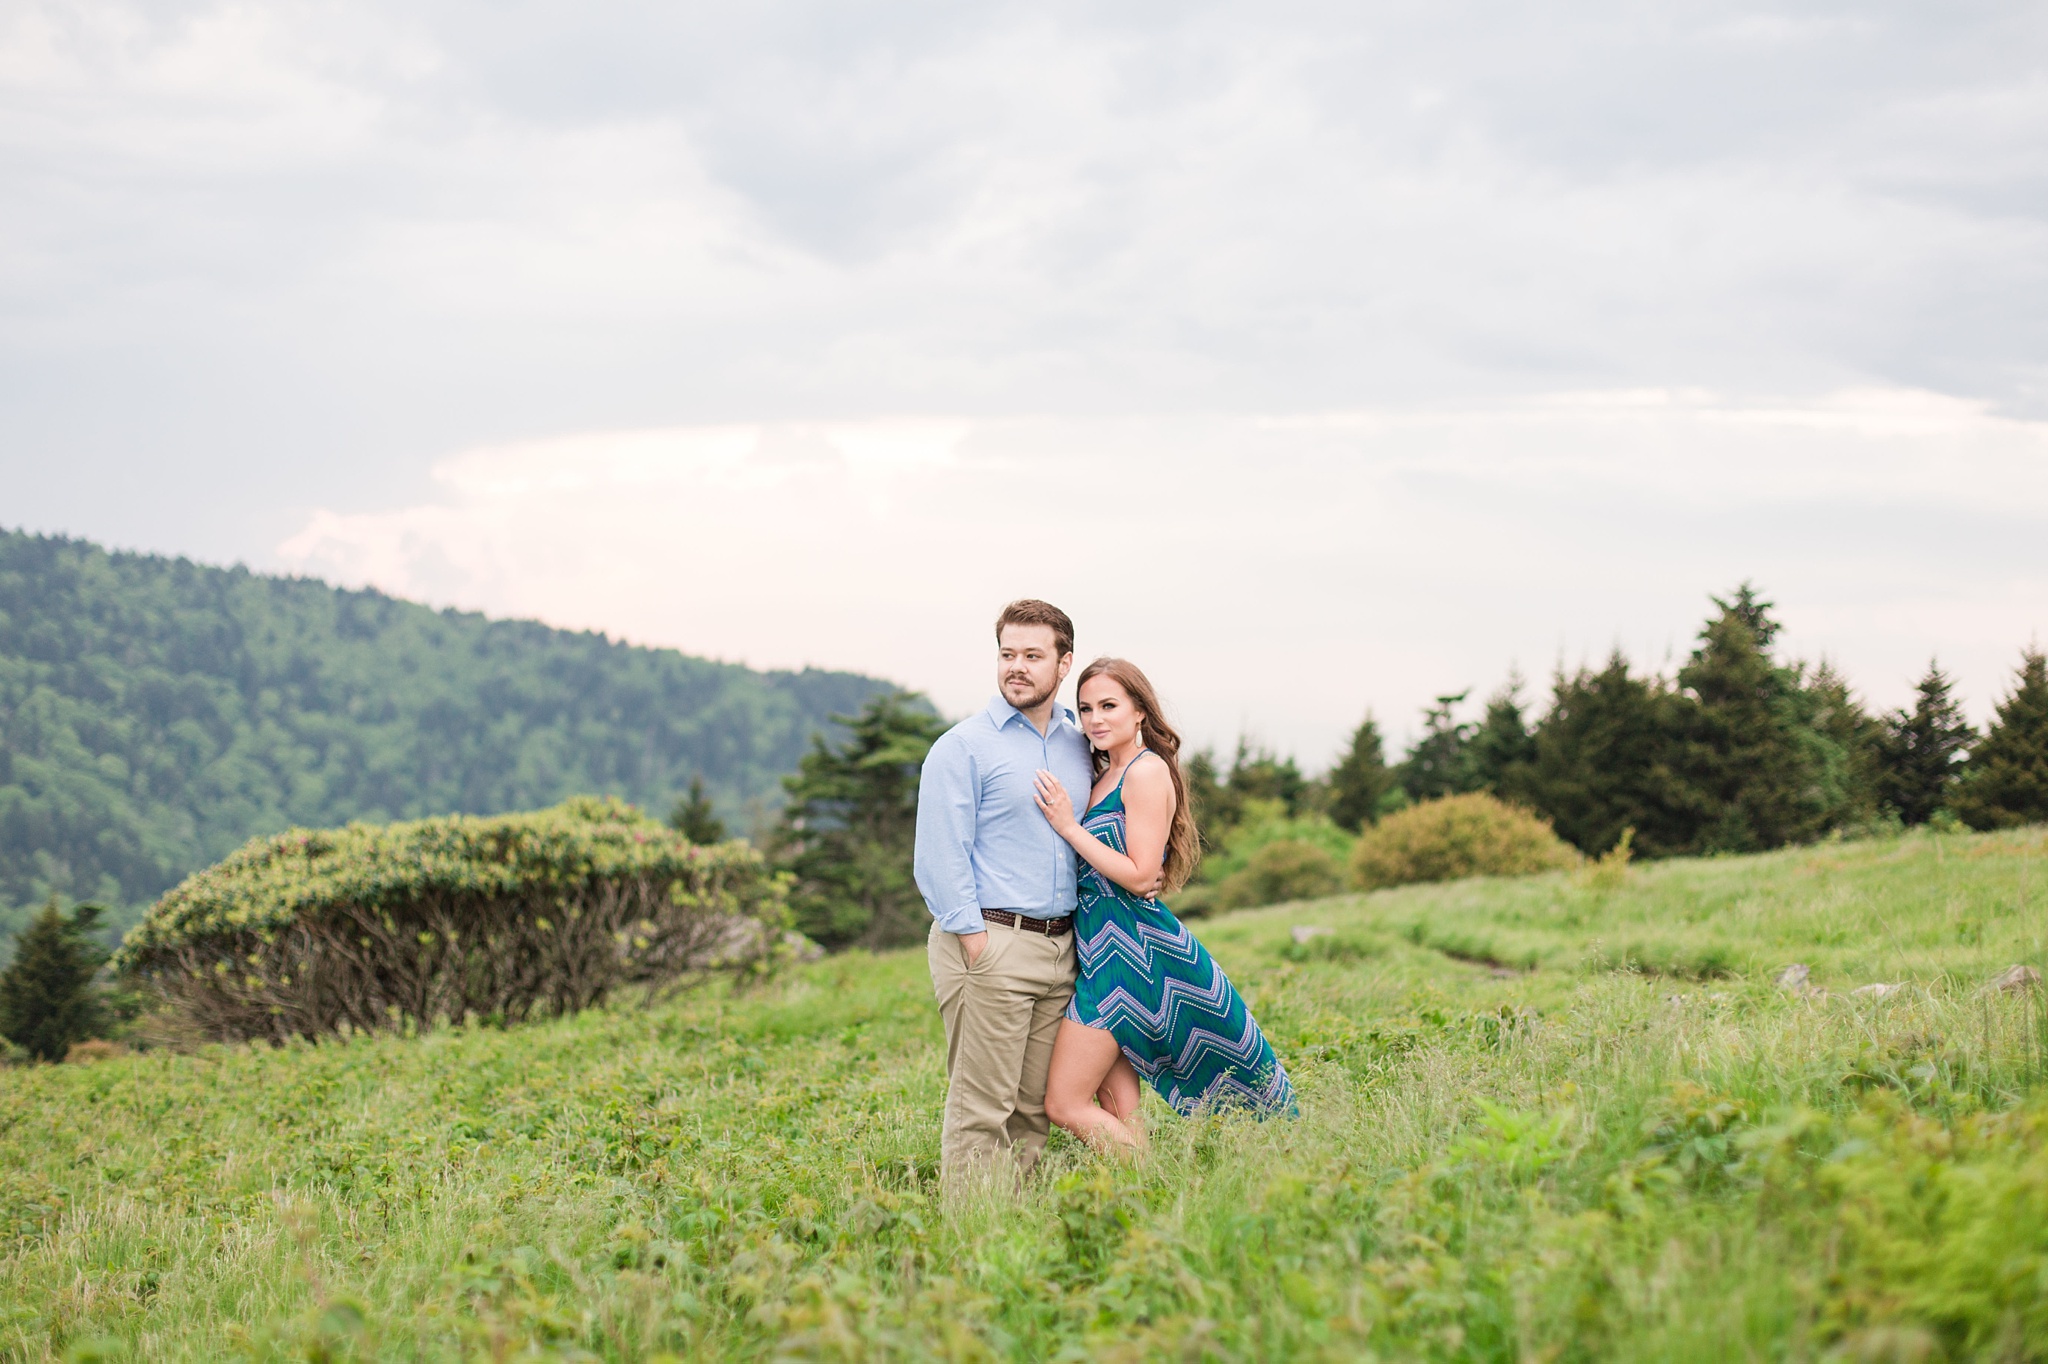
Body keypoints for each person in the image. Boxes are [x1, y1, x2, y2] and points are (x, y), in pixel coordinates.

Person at [1032, 657, 1294, 1150]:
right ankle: (1148, 1197)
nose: (1095, 719)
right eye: (1085, 709)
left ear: (1140, 712)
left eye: (1109, 705)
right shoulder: (1104, 773)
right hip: (1099, 950)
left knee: (1064, 1104)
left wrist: (1068, 827)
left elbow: (1139, 874)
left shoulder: (1146, 771)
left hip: (1130, 955)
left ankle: (1156, 1183)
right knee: (1119, 1113)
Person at [914, 599, 1111, 1189]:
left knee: (1032, 1112)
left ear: (1064, 662)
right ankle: (972, 1242)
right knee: (982, 1111)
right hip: (992, 943)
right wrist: (977, 942)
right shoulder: (963, 747)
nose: (1016, 667)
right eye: (1007, 654)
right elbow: (938, 857)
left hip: (1061, 950)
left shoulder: (1080, 747)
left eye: (1032, 655)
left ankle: (1014, 1238)